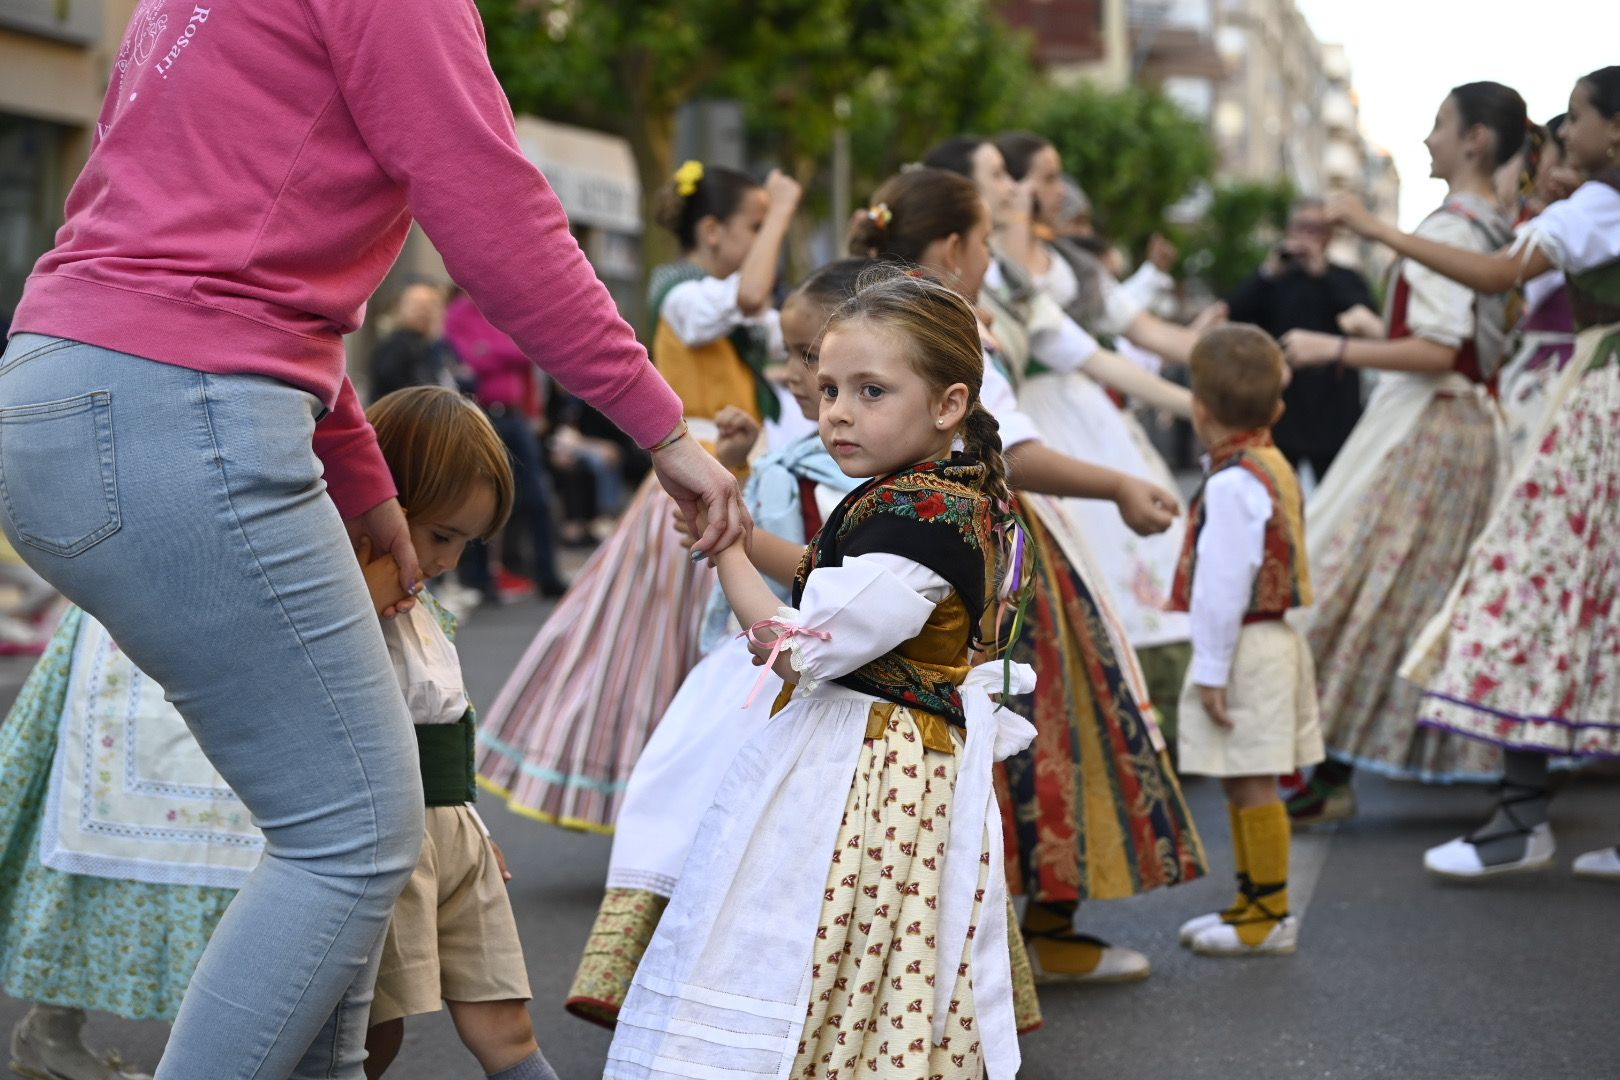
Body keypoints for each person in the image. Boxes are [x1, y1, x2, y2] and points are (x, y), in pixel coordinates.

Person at [0, 0, 744, 1071]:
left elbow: (222, 258)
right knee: (352, 839)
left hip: (65, 384)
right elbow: (495, 211)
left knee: (329, 841)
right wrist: (660, 425)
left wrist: (361, 479)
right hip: (179, 410)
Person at [609, 267, 1034, 1080]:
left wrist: (724, 548)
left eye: (871, 391)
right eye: (829, 386)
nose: (838, 410)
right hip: (894, 759)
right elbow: (822, 573)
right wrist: (731, 520)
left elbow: (797, 645)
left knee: (831, 947)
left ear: (948, 405)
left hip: (876, 771)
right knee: (851, 963)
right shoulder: (927, 497)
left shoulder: (919, 519)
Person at [847, 169, 1205, 985]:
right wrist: (1116, 484)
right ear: (952, 248)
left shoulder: (867, 307)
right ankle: (1035, 929)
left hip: (893, 528)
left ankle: (934, 937)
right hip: (976, 548)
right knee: (1041, 722)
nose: (988, 256)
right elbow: (1015, 441)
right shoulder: (942, 321)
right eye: (980, 241)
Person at [1329, 66, 1620, 881]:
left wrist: (1373, 228)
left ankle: (1519, 819)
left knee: (1523, 586)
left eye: (1582, 121)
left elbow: (1493, 284)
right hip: (1575, 399)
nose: (1566, 137)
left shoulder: (1595, 207)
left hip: (1594, 404)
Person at [476, 162, 799, 832]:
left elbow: (770, 315)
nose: (766, 238)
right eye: (755, 226)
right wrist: (789, 207)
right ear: (711, 232)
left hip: (733, 477)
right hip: (688, 483)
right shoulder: (681, 293)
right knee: (658, 654)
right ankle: (659, 804)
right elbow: (748, 297)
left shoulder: (729, 303)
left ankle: (705, 801)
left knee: (707, 653)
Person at [1280, 81, 1528, 824]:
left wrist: (1338, 346)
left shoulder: (1455, 230)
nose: (1428, 139)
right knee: (1408, 594)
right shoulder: (1493, 224)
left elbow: (1441, 349)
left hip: (1431, 426)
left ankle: (1329, 769)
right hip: (1458, 422)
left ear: (1475, 139)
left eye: (1440, 125)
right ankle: (1351, 765)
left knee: (1360, 582)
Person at [345, 387, 558, 1080]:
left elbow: (447, 719)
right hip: (383, 833)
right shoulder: (342, 604)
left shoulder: (420, 604)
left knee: (506, 1020)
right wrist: (358, 606)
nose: (448, 560)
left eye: (467, 542)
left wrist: (471, 823)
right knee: (373, 1030)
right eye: (440, 535)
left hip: (451, 831)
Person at [1170, 325, 1322, 957]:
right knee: (1243, 774)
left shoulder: (1234, 484)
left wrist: (1210, 667)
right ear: (1277, 409)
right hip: (1267, 640)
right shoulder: (1269, 462)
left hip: (1243, 647)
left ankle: (1269, 913)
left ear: (1198, 408)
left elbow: (1223, 586)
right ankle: (1252, 900)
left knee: (1253, 778)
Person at [1225, 198, 1382, 480]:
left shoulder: (1345, 278)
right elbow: (1234, 311)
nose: (1307, 236)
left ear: (1329, 236)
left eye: (1317, 229)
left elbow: (1367, 321)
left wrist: (1322, 273)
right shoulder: (1275, 280)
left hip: (1333, 411)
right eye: (1301, 227)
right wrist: (1267, 273)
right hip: (1283, 409)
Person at [442, 290, 568, 597]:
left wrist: (492, 352)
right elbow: (471, 358)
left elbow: (526, 351)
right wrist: (506, 350)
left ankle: (546, 573)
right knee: (482, 497)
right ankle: (480, 578)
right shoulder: (459, 313)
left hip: (515, 415)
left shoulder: (502, 302)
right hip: (482, 414)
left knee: (536, 496)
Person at [369, 280, 453, 402]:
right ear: (401, 307)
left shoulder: (430, 345)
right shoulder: (396, 345)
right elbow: (389, 380)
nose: (424, 312)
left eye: (430, 306)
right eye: (418, 306)